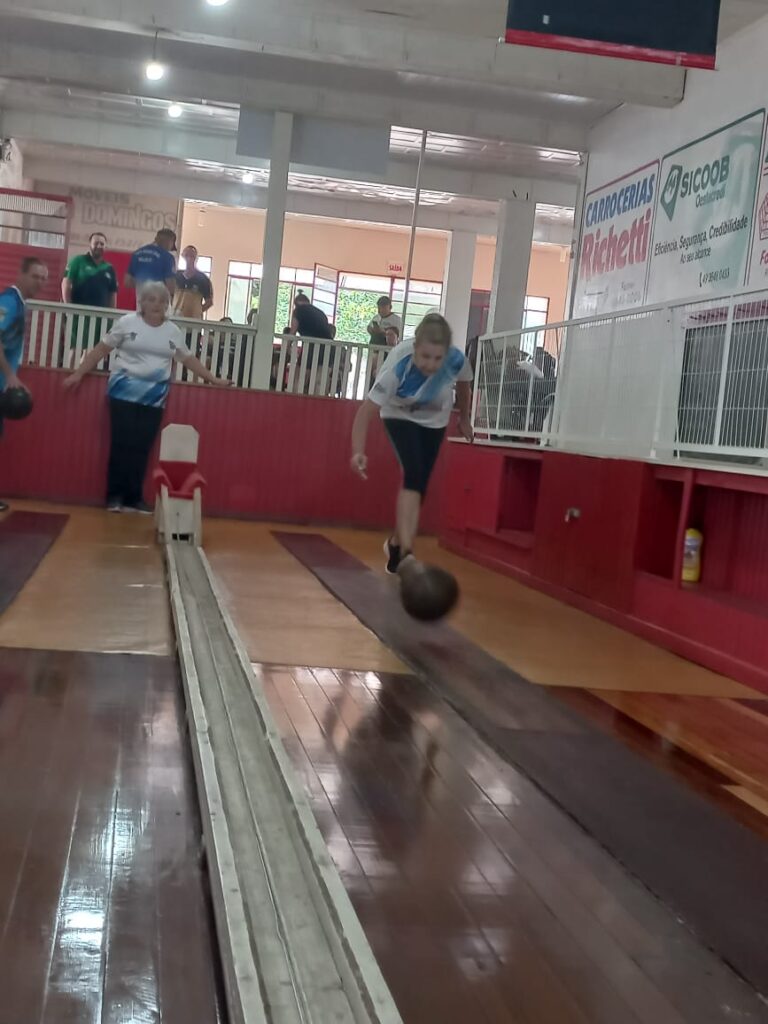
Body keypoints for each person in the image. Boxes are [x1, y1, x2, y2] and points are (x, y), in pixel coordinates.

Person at [64, 281, 229, 514]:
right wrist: (78, 374)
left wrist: (213, 379)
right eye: (151, 300)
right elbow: (101, 349)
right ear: (141, 303)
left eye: (162, 301)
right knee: (121, 444)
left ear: (167, 305)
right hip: (122, 393)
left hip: (154, 398)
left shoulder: (173, 331)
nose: (156, 304)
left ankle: (134, 498)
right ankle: (114, 497)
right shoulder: (127, 323)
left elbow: (189, 359)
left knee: (142, 448)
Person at [350, 312, 474, 573]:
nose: (431, 365)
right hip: (398, 415)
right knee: (414, 473)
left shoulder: (457, 360)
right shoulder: (398, 367)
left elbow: (464, 386)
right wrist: (357, 451)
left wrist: (464, 418)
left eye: (438, 359)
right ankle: (407, 552)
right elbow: (365, 412)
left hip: (435, 420)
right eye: (425, 356)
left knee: (420, 487)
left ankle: (396, 544)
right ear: (415, 348)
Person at [0, 256, 49, 512]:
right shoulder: (9, 301)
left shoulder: (20, 303)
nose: (39, 282)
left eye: (43, 278)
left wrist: (13, 376)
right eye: (35, 276)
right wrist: (10, 375)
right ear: (21, 274)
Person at [62, 233, 118, 309]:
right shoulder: (77, 261)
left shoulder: (109, 268)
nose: (99, 246)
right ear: (90, 244)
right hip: (78, 312)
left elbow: (112, 293)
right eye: (96, 243)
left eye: (102, 244)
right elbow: (66, 284)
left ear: (105, 246)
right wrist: (68, 308)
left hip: (100, 314)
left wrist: (111, 313)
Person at [291, 292, 333, 393]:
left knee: (299, 377)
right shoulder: (321, 313)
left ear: (296, 303)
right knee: (320, 381)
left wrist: (287, 345)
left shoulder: (298, 311)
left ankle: (296, 397)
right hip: (328, 348)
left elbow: (293, 331)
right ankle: (319, 399)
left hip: (311, 346)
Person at [125, 228, 177, 301]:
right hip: (160, 302)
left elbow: (127, 282)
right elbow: (171, 286)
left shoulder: (137, 254)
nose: (170, 249)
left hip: (141, 301)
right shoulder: (167, 257)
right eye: (171, 246)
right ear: (169, 242)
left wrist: (144, 285)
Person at [173, 245, 213, 320]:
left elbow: (209, 302)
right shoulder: (176, 276)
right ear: (183, 256)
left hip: (193, 321)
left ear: (196, 258)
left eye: (192, 256)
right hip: (176, 318)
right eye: (187, 255)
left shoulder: (203, 279)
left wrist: (197, 312)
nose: (189, 258)